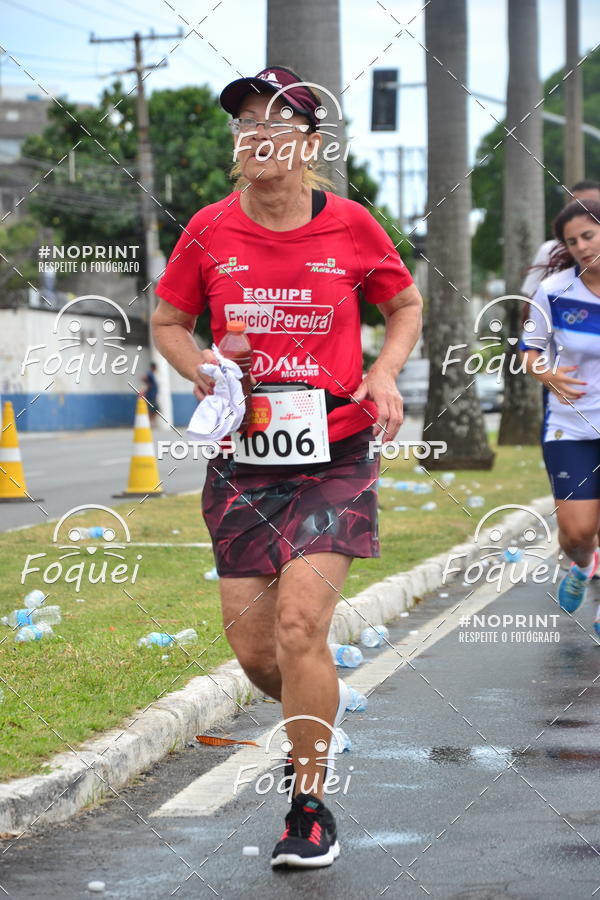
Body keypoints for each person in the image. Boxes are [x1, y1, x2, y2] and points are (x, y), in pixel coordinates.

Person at [151, 66, 422, 868]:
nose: (258, 136)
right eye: (245, 124)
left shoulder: (350, 226)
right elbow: (168, 319)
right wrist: (196, 363)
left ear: (309, 141)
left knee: (303, 624)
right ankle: (318, 713)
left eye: (276, 122)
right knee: (260, 652)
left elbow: (401, 302)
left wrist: (383, 372)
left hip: (334, 447)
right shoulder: (207, 229)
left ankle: (307, 806)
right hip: (243, 455)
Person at [521, 198, 600, 636]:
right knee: (577, 533)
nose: (582, 247)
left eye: (589, 235)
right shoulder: (554, 290)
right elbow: (529, 354)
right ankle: (582, 566)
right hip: (570, 427)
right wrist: (547, 373)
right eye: (573, 241)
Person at [521, 180, 600, 298]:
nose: (581, 247)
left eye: (591, 204)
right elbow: (532, 301)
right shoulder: (550, 250)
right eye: (578, 205)